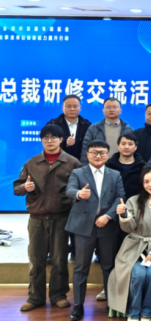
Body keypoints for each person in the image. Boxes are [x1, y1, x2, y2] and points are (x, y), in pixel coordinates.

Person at [14, 124, 81, 312]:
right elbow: (17, 188)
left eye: (53, 137)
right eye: (45, 138)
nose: (49, 141)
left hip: (62, 218)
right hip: (37, 218)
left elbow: (80, 188)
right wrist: (24, 188)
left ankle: (58, 295)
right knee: (36, 260)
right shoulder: (32, 163)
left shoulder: (72, 163)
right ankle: (35, 297)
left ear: (61, 139)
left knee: (60, 259)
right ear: (41, 140)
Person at [65, 140, 125, 321]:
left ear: (107, 154)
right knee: (81, 267)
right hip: (83, 227)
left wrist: (108, 216)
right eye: (94, 152)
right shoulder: (78, 172)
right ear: (87, 154)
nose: (98, 156)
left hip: (107, 226)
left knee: (108, 266)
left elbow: (120, 197)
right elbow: (69, 190)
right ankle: (78, 305)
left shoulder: (115, 174)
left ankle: (111, 302)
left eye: (102, 152)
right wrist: (79, 194)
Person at [108, 166, 151, 321]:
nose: (150, 184)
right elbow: (128, 228)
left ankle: (146, 312)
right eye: (146, 181)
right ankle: (134, 312)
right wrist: (124, 214)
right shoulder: (133, 201)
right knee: (138, 274)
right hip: (133, 248)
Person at [105, 132, 147, 255]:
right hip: (111, 212)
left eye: (130, 144)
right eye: (123, 144)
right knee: (111, 247)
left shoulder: (143, 167)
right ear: (118, 146)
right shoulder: (108, 166)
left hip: (135, 213)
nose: (126, 147)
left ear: (136, 147)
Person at [81, 97, 134, 165]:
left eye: (115, 107)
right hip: (99, 165)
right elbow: (85, 149)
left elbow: (133, 150)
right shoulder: (93, 128)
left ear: (120, 110)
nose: (111, 110)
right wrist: (84, 167)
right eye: (108, 107)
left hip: (120, 166)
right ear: (103, 110)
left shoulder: (128, 129)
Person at [48, 94, 91, 161]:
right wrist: (65, 143)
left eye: (75, 106)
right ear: (62, 108)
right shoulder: (53, 124)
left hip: (80, 163)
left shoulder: (87, 125)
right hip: (58, 162)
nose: (72, 109)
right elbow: (47, 141)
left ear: (80, 108)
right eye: (68, 106)